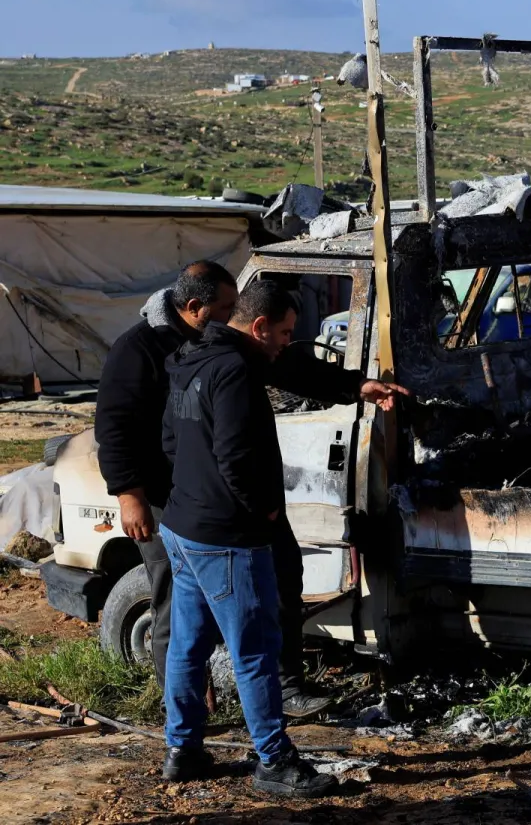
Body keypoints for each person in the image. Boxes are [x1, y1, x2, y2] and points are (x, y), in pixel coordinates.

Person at [95, 261, 406, 718]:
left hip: (237, 500)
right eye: (225, 307)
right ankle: (185, 709)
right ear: (195, 307)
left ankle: (286, 689)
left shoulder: (228, 344)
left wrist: (356, 386)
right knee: (176, 603)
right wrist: (129, 494)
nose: (233, 314)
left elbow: (288, 365)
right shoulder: (140, 350)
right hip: (173, 502)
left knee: (282, 579)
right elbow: (115, 426)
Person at [159, 281, 333, 795]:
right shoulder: (236, 372)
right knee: (255, 649)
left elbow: (171, 439)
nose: (285, 343)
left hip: (183, 525)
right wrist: (265, 510)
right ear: (258, 327)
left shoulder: (190, 356)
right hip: (227, 536)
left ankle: (183, 749)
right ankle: (273, 760)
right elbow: (236, 456)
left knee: (187, 647)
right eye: (282, 333)